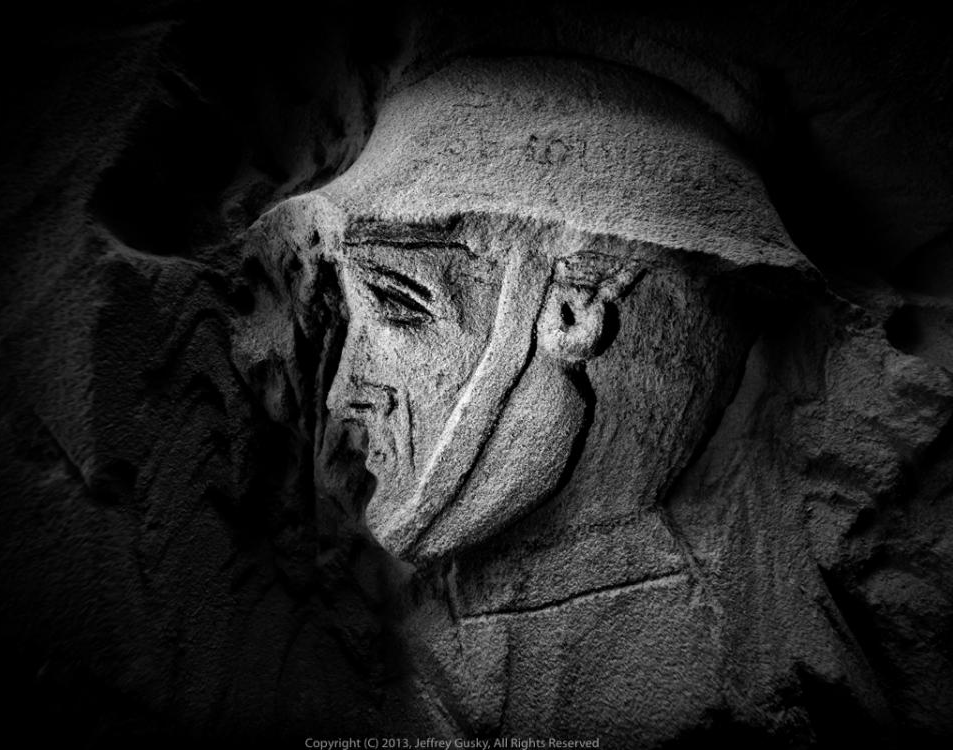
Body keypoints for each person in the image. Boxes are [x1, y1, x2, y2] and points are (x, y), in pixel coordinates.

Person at [253, 55, 887, 743]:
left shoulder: (720, 669)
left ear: (575, 311)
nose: (349, 390)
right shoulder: (411, 648)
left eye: (398, 305)